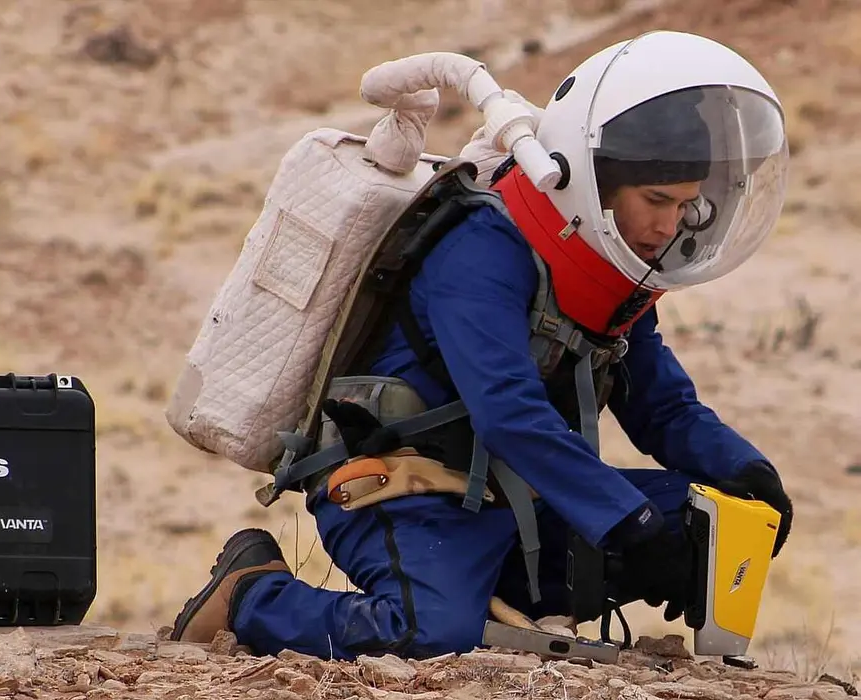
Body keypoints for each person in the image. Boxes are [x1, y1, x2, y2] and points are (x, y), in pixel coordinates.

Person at [168, 30, 795, 661]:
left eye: (688, 207)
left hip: (512, 496)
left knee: (710, 523)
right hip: (404, 489)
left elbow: (663, 409)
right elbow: (509, 413)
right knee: (429, 632)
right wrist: (627, 523)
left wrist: (749, 475)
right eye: (656, 200)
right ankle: (250, 596)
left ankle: (496, 599)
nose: (668, 226)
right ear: (595, 183)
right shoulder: (482, 248)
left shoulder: (611, 270)